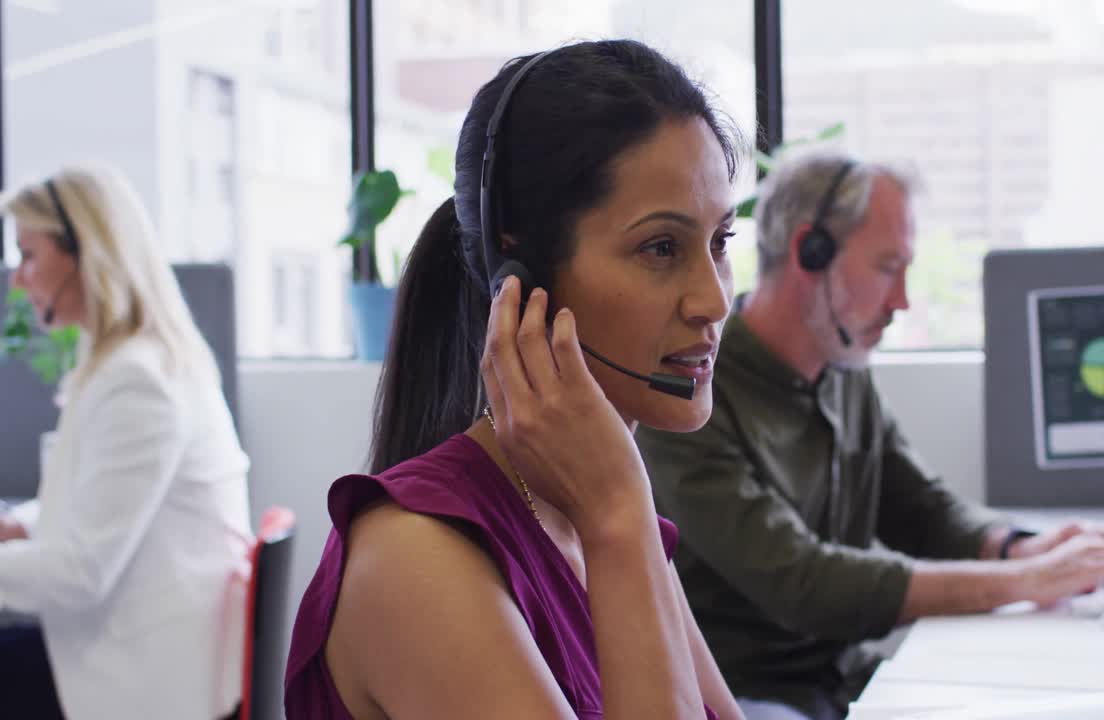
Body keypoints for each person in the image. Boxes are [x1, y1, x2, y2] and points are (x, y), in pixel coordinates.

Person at [284, 40, 748, 719]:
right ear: (519, 276)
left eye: (720, 243)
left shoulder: (605, 516)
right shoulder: (416, 559)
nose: (714, 299)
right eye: (660, 248)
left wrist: (621, 520)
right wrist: (619, 517)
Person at [633, 151, 1104, 720]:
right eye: (888, 267)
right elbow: (802, 582)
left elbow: (920, 507)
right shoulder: (692, 390)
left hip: (839, 681)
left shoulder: (841, 365)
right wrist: (1024, 580)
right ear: (813, 252)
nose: (902, 299)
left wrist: (1019, 547)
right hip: (750, 696)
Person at [0, 165, 252, 720]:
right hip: (149, 644)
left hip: (144, 677)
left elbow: (78, 574)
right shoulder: (135, 362)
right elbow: (109, 502)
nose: (19, 280)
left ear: (83, 253)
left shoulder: (138, 383)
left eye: (29, 255)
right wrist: (22, 525)